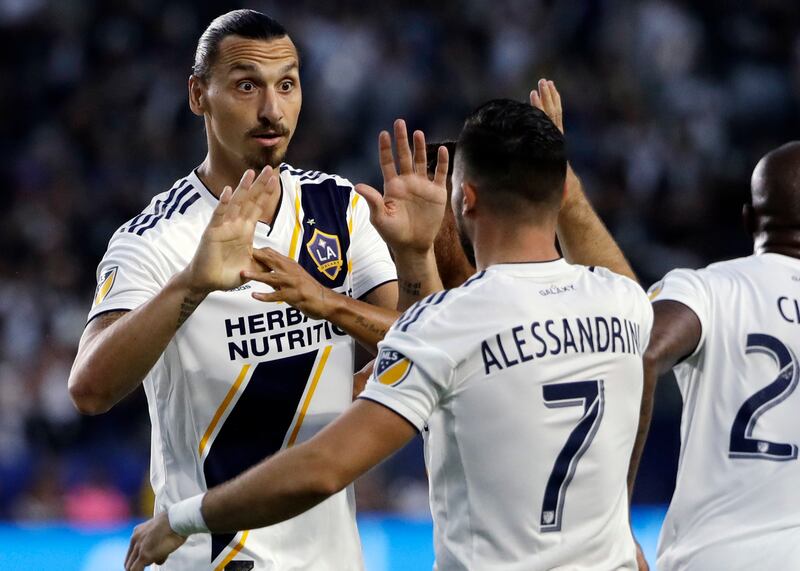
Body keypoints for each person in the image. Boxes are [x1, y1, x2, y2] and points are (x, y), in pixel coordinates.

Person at [126, 96, 653, 571]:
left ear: (464, 200)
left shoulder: (451, 323)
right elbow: (457, 346)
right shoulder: (625, 303)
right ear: (561, 191)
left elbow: (323, 469)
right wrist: (417, 255)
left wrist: (181, 519)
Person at [67, 9, 449, 570]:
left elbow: (417, 349)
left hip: (332, 557)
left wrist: (412, 258)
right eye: (247, 85)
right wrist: (193, 284)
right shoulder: (155, 237)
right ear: (199, 95)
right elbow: (89, 389)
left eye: (286, 85)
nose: (272, 109)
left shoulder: (338, 206)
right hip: (212, 556)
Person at [629, 142, 800, 570]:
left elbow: (643, 353)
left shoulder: (710, 287)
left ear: (748, 219)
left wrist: (611, 514)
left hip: (713, 557)